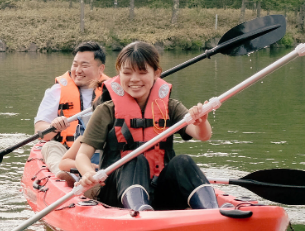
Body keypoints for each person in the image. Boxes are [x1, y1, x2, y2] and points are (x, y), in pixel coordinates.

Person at [75, 41, 218, 212]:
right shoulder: (106, 110)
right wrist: (87, 173)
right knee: (133, 158)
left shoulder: (169, 106)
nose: (134, 79)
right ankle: (140, 211)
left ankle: (212, 211)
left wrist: (201, 122)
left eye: (142, 72)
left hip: (161, 193)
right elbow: (82, 155)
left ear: (156, 73)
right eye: (127, 73)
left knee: (183, 161)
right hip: (116, 194)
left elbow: (203, 135)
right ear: (119, 74)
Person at [34, 42, 107, 177]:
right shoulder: (57, 91)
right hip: (66, 150)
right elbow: (40, 131)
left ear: (100, 68)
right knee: (49, 147)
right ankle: (66, 175)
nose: (78, 70)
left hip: (100, 150)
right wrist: (54, 126)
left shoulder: (112, 90)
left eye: (84, 65)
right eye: (75, 65)